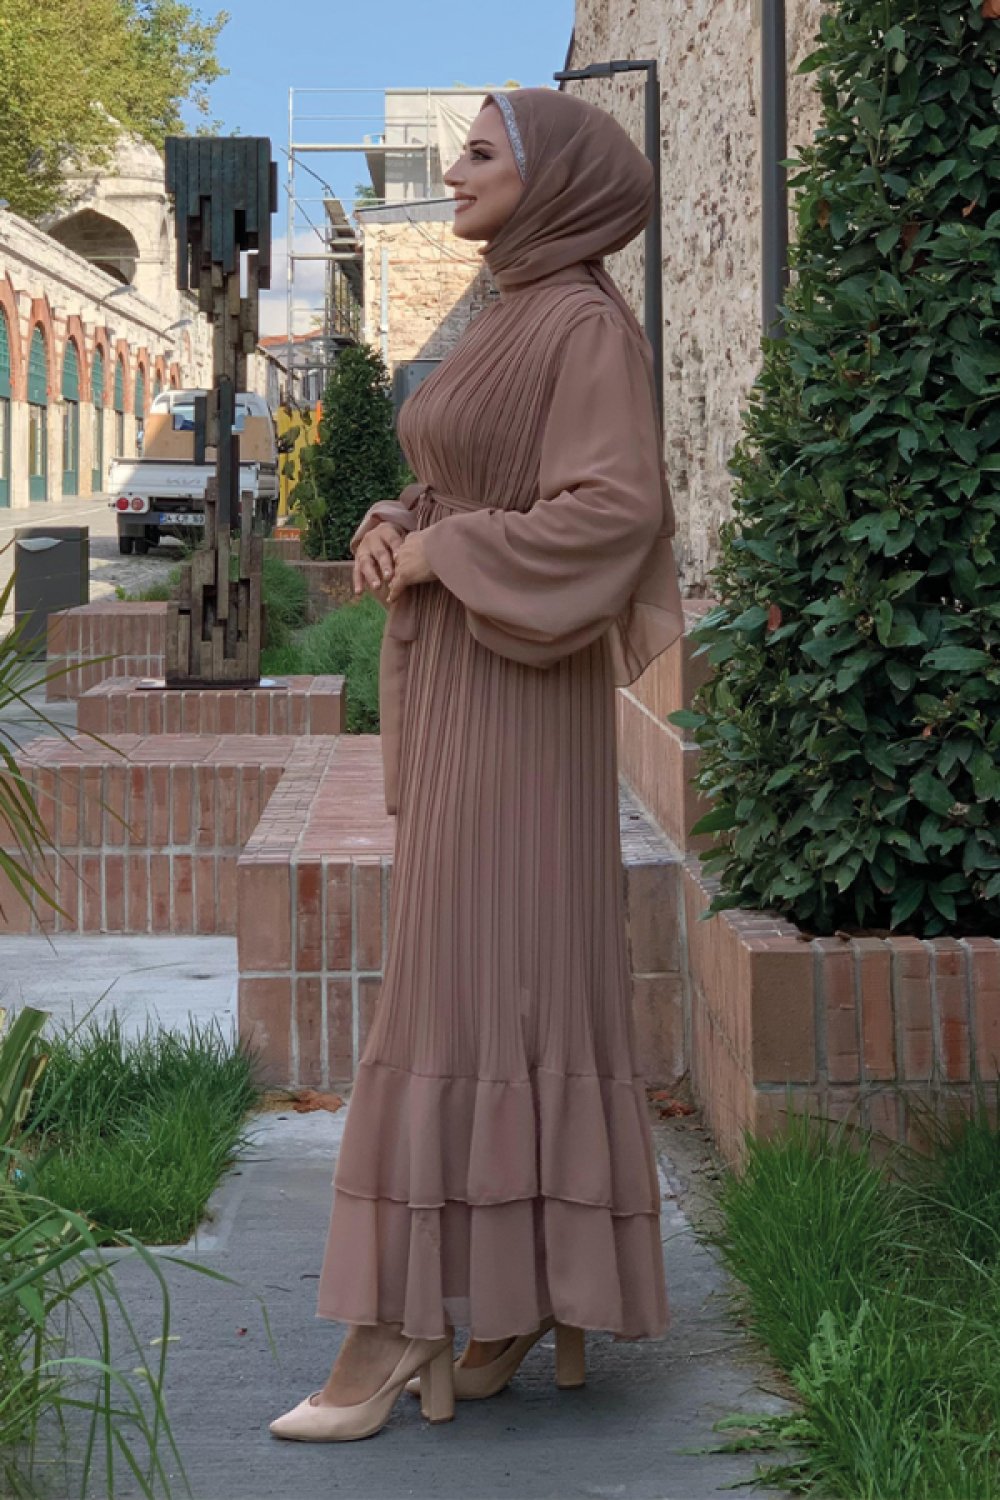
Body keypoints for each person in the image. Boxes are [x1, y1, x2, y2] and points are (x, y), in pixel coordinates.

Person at [269, 84, 684, 1445]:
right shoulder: (510, 313)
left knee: (466, 985)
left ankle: (401, 1326)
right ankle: (511, 1303)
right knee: (488, 980)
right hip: (462, 684)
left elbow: (613, 512)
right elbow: (467, 478)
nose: (451, 172)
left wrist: (448, 547)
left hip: (520, 698)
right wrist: (395, 520)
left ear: (552, 181)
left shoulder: (584, 328)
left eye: (479, 153)